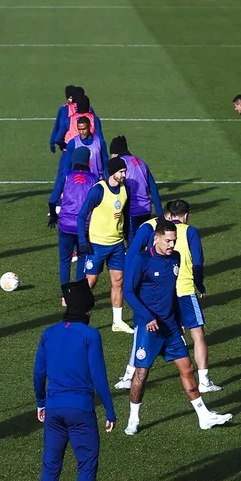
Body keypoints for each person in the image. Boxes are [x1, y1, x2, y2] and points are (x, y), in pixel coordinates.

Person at [122, 218, 232, 436]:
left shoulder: (176, 258)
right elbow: (128, 292)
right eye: (168, 241)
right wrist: (146, 317)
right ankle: (133, 418)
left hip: (171, 327)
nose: (172, 245)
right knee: (141, 374)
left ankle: (204, 416)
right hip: (149, 328)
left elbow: (172, 292)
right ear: (156, 239)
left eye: (174, 241)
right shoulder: (141, 261)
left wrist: (180, 319)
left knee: (187, 368)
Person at [32, 280, 115, 481]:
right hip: (80, 410)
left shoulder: (49, 332)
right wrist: (110, 410)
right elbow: (98, 376)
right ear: (87, 311)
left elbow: (38, 373)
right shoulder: (90, 335)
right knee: (87, 464)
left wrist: (41, 402)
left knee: (51, 465)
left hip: (54, 410)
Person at [120, 200, 220, 393]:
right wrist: (199, 283)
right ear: (186, 215)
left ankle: (127, 375)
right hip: (183, 289)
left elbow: (144, 256)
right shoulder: (190, 231)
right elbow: (198, 261)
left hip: (162, 293)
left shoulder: (155, 229)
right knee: (197, 334)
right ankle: (205, 381)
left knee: (143, 339)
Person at [78, 157, 133, 333]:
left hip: (116, 245)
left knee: (118, 282)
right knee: (90, 283)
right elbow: (81, 216)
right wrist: (82, 242)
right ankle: (80, 319)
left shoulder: (125, 189)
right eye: (121, 172)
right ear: (112, 172)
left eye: (125, 171)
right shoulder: (98, 190)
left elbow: (126, 215)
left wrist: (129, 240)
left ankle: (117, 322)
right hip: (97, 244)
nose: (124, 174)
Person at [49, 147, 98, 287]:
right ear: (88, 161)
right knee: (82, 258)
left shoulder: (66, 177)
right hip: (85, 227)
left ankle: (65, 296)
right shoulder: (94, 179)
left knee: (65, 261)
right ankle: (78, 293)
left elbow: (52, 200)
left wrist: (53, 216)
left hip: (65, 225)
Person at [109, 135, 162, 235]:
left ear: (115, 153)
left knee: (133, 246)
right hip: (146, 210)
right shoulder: (141, 162)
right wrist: (159, 213)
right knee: (144, 243)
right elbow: (153, 188)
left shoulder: (119, 164)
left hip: (131, 211)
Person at [53, 116, 107, 192]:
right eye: (79, 129)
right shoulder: (73, 143)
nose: (81, 132)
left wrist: (108, 179)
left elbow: (105, 162)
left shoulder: (100, 142)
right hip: (80, 183)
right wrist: (65, 186)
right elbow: (67, 167)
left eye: (84, 129)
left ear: (89, 127)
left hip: (97, 182)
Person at [50, 86, 82, 154]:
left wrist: (53, 142)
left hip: (68, 148)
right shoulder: (87, 108)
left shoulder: (64, 109)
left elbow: (57, 127)